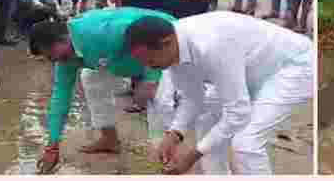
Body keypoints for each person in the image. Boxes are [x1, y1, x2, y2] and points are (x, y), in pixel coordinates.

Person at [130, 12, 315, 175]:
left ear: (166, 43)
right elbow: (193, 97)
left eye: (151, 60)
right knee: (207, 120)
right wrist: (175, 134)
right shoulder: (173, 47)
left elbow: (238, 113)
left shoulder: (212, 46)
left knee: (246, 143)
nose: (149, 66)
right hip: (250, 69)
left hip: (293, 67)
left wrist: (193, 154)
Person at [30, 8, 178, 173]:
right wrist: (52, 146)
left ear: (64, 38)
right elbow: (60, 98)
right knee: (90, 77)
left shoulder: (100, 31)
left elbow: (148, 31)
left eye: (51, 55)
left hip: (166, 43)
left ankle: (171, 157)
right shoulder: (65, 57)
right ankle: (110, 139)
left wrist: (151, 78)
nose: (54, 61)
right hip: (129, 59)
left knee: (160, 99)